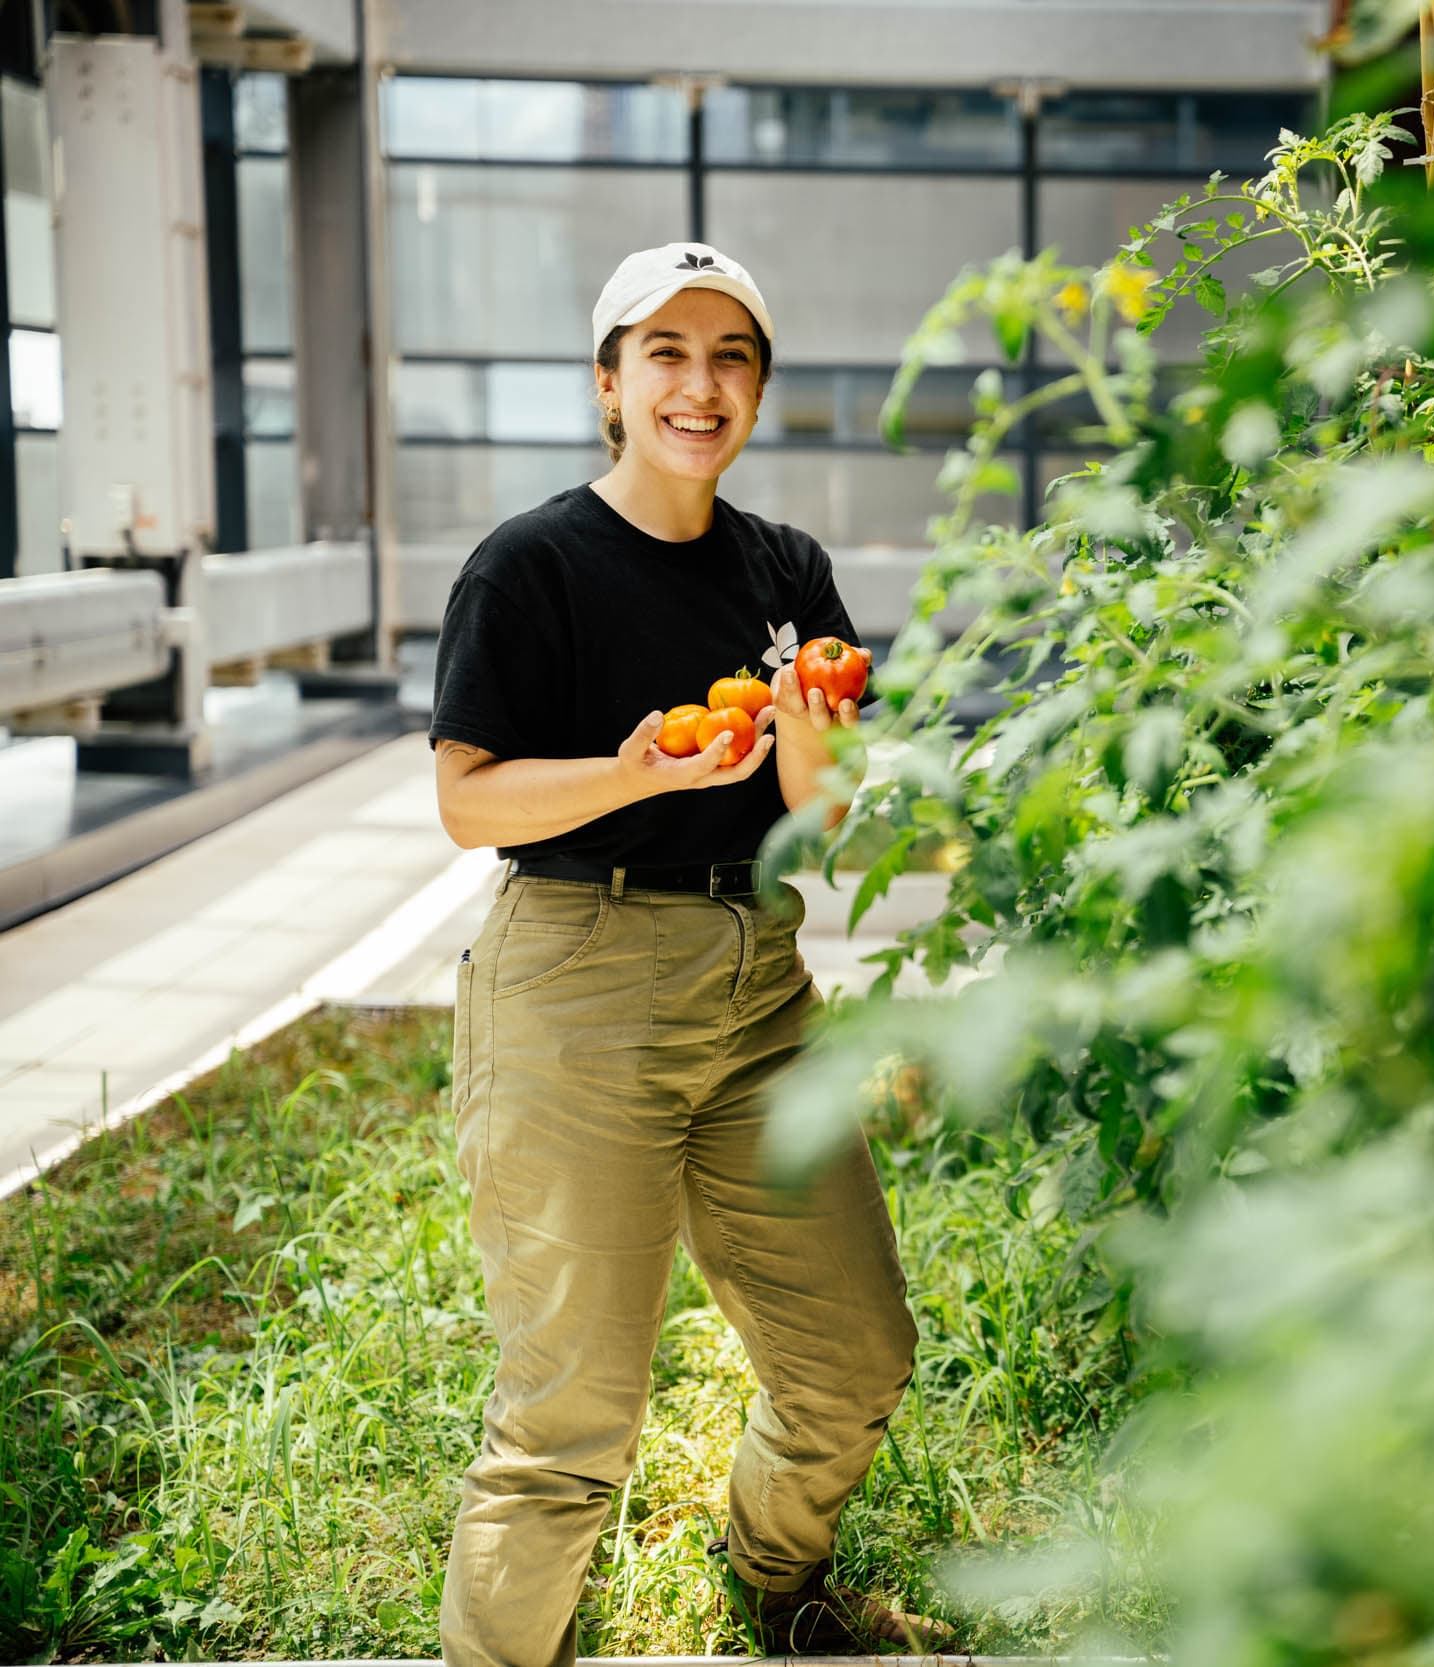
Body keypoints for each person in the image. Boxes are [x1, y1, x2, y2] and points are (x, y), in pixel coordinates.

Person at [426, 242, 947, 1664]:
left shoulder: (788, 572)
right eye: (665, 352)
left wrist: (805, 736)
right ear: (610, 383)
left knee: (855, 1359)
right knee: (567, 1423)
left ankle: (777, 1581)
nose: (699, 385)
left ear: (758, 391)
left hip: (760, 984)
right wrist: (634, 773)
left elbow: (826, 816)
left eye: (731, 357)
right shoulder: (531, 567)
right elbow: (468, 800)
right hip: (577, 980)